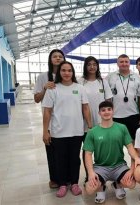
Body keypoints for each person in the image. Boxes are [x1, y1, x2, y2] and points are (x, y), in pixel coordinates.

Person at [42, 61, 92, 197]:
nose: (66, 73)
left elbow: (85, 108)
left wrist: (90, 126)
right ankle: (63, 184)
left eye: (69, 70)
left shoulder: (79, 88)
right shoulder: (53, 89)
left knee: (75, 159)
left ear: (73, 73)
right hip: (58, 132)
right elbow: (47, 111)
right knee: (60, 159)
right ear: (59, 72)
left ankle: (74, 183)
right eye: (63, 70)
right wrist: (45, 131)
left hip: (77, 131)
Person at [83, 100, 140, 203]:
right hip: (100, 167)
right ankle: (101, 187)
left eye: (109, 109)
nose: (106, 112)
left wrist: (135, 162)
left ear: (113, 111)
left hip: (119, 166)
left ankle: (117, 184)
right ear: (99, 113)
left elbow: (130, 147)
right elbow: (88, 154)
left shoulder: (122, 128)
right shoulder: (92, 132)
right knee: (89, 189)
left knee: (131, 184)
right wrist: (90, 173)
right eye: (103, 110)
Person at [33, 49, 65, 189]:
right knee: (51, 151)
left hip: (65, 120)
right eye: (55, 56)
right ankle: (54, 178)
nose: (58, 58)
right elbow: (36, 99)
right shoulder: (42, 77)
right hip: (50, 120)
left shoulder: (67, 75)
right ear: (50, 59)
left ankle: (67, 178)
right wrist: (45, 88)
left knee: (65, 151)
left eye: (60, 56)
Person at [78, 56, 113, 180]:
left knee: (102, 148)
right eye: (89, 64)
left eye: (94, 64)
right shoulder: (80, 81)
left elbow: (108, 101)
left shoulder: (102, 82)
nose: (92, 67)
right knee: (87, 149)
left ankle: (102, 174)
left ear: (97, 66)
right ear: (85, 66)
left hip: (101, 122)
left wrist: (109, 118)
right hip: (85, 122)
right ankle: (89, 174)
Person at [106, 54, 140, 140]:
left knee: (134, 142)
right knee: (116, 142)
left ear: (129, 63)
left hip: (133, 114)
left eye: (126, 62)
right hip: (115, 115)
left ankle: (134, 154)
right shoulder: (110, 77)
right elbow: (106, 97)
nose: (124, 64)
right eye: (121, 62)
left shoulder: (136, 77)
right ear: (117, 63)